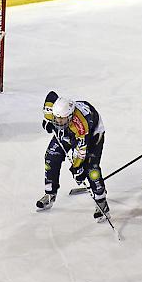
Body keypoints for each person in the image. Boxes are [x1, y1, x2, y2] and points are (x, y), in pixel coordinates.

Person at [36, 92, 110, 222]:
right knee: (51, 157)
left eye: (61, 119)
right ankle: (50, 193)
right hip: (69, 131)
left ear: (70, 116)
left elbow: (80, 151)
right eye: (56, 118)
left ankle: (101, 200)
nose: (58, 122)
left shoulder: (81, 125)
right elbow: (51, 95)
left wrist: (77, 169)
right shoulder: (55, 113)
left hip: (92, 135)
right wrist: (48, 120)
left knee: (91, 169)